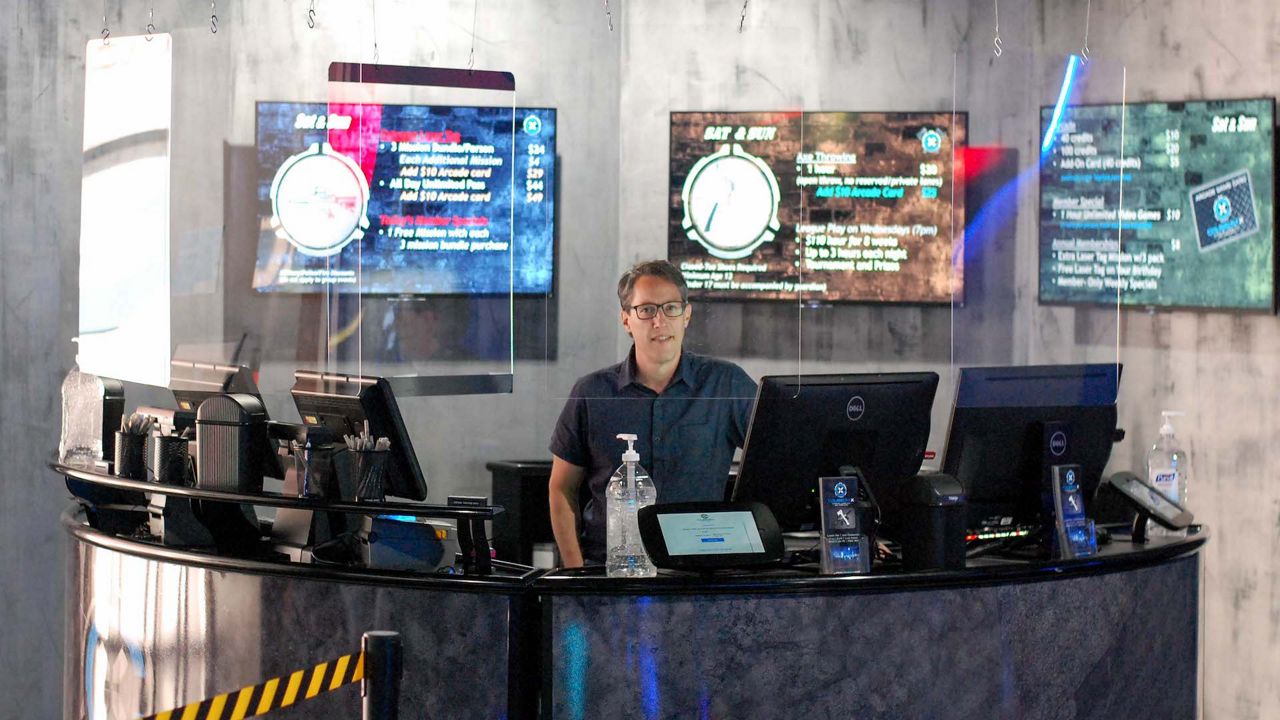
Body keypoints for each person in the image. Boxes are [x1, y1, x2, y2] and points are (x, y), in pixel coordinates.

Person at [548, 260, 757, 567]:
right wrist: (574, 572)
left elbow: (775, 461)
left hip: (699, 571)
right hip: (611, 572)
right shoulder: (591, 393)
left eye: (670, 308)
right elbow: (561, 489)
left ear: (687, 314)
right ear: (625, 319)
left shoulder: (726, 384)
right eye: (646, 310)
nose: (659, 321)